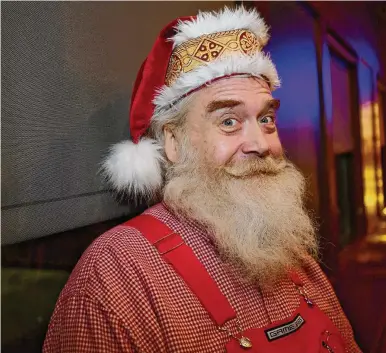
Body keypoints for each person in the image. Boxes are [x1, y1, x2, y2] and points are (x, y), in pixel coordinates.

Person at [43, 6, 361, 353]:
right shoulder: (117, 274)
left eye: (267, 119)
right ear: (173, 143)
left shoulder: (289, 251)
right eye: (229, 121)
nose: (262, 144)